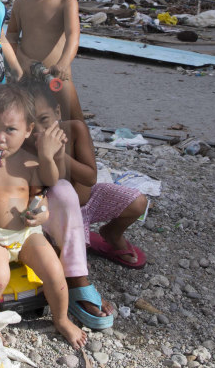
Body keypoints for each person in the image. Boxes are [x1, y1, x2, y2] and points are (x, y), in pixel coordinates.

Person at [0, 85, 87, 349]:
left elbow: (47, 185)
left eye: (10, 130)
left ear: (28, 130)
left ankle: (61, 319)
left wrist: (39, 210)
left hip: (26, 234)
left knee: (54, 272)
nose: (0, 138)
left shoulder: (29, 160)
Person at [27, 80, 148, 269]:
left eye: (44, 120)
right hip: (59, 215)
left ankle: (111, 234)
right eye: (31, 124)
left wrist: (60, 155)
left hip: (90, 201)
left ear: (58, 112)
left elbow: (90, 177)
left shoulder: (75, 130)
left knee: (138, 203)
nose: (40, 131)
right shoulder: (26, 142)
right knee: (71, 261)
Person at [5, 0, 84, 120]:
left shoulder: (67, 2)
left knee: (72, 121)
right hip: (27, 77)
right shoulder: (21, 3)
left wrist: (64, 63)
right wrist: (20, 61)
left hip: (57, 77)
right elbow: (12, 37)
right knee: (26, 122)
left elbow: (73, 35)